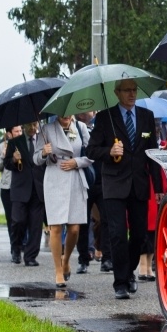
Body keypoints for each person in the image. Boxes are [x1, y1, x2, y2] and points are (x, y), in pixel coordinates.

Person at [86, 79, 162, 299]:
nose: (132, 94)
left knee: (139, 235)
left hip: (139, 184)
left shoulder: (146, 118)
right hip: (114, 184)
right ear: (117, 93)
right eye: (127, 90)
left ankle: (128, 272)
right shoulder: (104, 118)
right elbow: (91, 150)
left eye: (134, 90)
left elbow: (152, 153)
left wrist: (157, 186)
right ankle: (120, 282)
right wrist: (109, 151)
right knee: (117, 234)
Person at [34, 115, 93, 287]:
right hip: (54, 179)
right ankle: (58, 270)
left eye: (68, 112)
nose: (66, 116)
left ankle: (66, 259)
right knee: (56, 227)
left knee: (74, 229)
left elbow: (92, 154)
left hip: (75, 177)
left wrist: (77, 162)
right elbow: (36, 159)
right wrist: (44, 152)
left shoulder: (81, 128)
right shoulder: (46, 129)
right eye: (62, 113)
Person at [5, 122, 46, 266]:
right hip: (20, 189)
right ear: (24, 125)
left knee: (36, 225)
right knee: (18, 221)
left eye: (35, 124)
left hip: (38, 189)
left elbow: (50, 162)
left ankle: (30, 256)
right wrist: (13, 160)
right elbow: (7, 164)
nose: (33, 127)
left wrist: (47, 154)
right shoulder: (15, 142)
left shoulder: (43, 141)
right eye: (30, 124)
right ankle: (16, 249)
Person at [0, 125, 22, 263]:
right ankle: (14, 248)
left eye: (20, 130)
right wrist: (4, 157)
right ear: (9, 133)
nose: (19, 133)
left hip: (22, 186)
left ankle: (22, 244)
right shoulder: (0, 147)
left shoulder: (24, 144)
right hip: (7, 187)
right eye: (16, 131)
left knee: (22, 219)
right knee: (12, 219)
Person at [73, 111, 98, 274]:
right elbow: (89, 152)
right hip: (85, 178)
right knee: (83, 221)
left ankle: (108, 258)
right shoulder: (78, 127)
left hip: (104, 178)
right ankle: (83, 258)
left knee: (107, 220)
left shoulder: (104, 122)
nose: (93, 112)